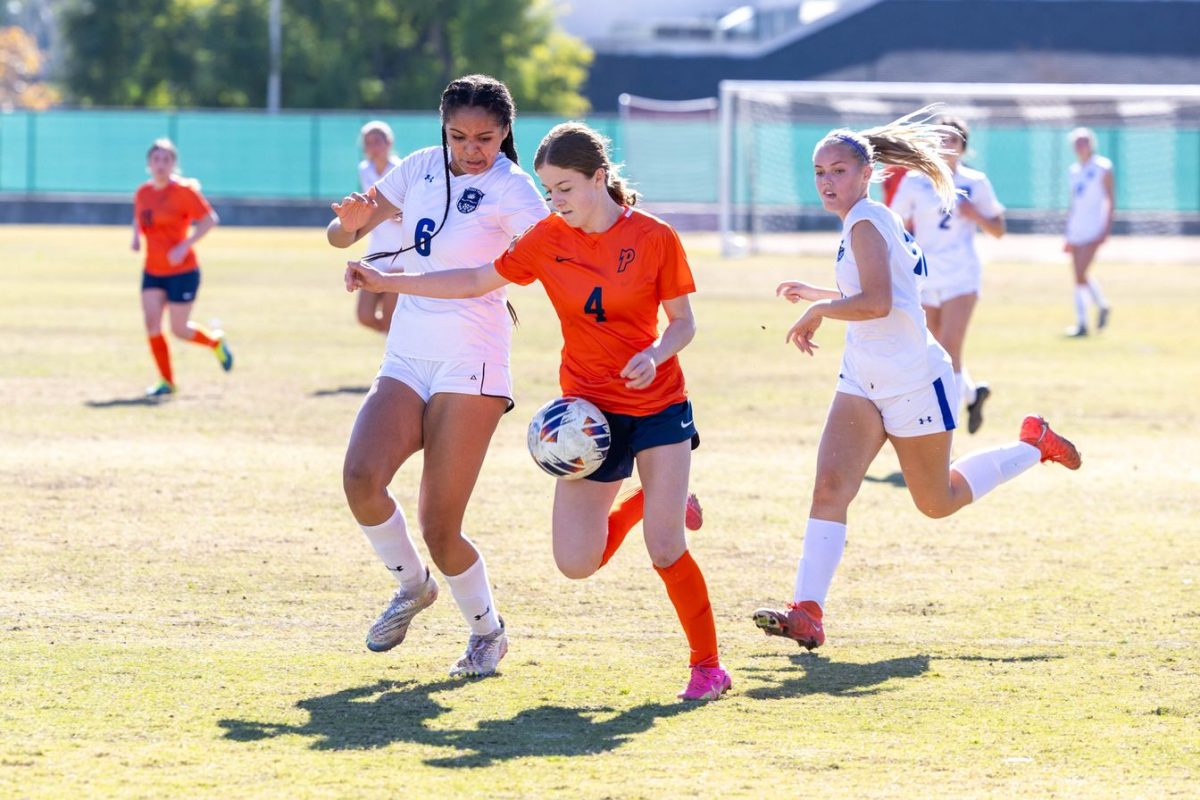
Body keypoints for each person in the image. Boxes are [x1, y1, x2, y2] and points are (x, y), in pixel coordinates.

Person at [344, 122, 730, 702]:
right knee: (576, 563)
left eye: (566, 189)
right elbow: (476, 279)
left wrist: (654, 354)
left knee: (665, 547)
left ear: (600, 178)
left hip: (656, 405)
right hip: (585, 414)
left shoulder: (654, 238)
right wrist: (386, 278)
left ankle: (707, 667)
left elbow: (684, 323)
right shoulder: (549, 237)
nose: (556, 203)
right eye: (549, 190)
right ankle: (652, 500)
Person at [754, 109, 1082, 652]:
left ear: (866, 174)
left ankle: (1034, 446)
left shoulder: (865, 219)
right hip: (863, 376)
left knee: (937, 500)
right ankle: (807, 611)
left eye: (838, 171)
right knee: (830, 489)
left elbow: (878, 302)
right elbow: (887, 290)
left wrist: (820, 312)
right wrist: (818, 296)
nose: (827, 181)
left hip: (913, 380)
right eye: (819, 172)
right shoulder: (868, 219)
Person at [326, 75, 550, 678]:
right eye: (458, 135)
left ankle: (487, 631)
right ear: (441, 129)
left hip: (470, 361)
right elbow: (341, 233)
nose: (470, 148)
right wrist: (348, 225)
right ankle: (413, 586)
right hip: (407, 355)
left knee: (439, 524)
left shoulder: (515, 189)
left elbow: (540, 261)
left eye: (484, 137)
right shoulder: (422, 166)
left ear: (506, 132)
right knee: (360, 478)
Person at [891, 116, 1005, 434]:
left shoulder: (975, 182)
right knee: (936, 351)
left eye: (952, 140)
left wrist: (977, 214)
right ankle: (972, 393)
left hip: (962, 275)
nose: (946, 146)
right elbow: (895, 223)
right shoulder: (914, 182)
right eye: (940, 140)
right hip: (927, 275)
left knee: (952, 347)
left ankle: (946, 437)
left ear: (962, 147)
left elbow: (998, 229)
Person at [132, 138, 231, 398]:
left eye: (166, 159)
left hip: (182, 272)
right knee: (152, 324)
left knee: (179, 330)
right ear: (149, 164)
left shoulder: (184, 191)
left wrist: (184, 245)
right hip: (153, 270)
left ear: (173, 164)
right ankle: (167, 381)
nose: (161, 164)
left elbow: (210, 220)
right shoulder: (142, 192)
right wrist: (135, 237)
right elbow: (140, 216)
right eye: (156, 159)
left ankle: (214, 342)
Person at [1063, 127, 1114, 337]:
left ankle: (1094, 313)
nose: (1081, 146)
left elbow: (1110, 199)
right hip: (1076, 227)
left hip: (1094, 227)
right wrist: (1067, 233)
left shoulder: (1103, 167)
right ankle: (1088, 317)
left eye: (1084, 141)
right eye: (1077, 142)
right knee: (1078, 276)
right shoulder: (1074, 171)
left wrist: (1106, 228)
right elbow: (1074, 203)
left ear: (1091, 143)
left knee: (1082, 272)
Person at [355, 121, 404, 333]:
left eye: (377, 141)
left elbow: (413, 208)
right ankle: (398, 340)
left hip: (401, 251)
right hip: (375, 250)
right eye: (368, 143)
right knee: (364, 315)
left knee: (390, 318)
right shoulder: (364, 170)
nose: (373, 147)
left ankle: (397, 348)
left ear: (389, 143)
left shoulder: (401, 170)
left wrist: (401, 215)